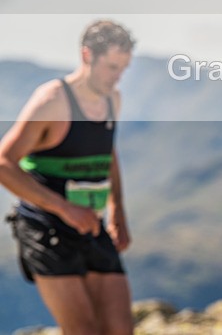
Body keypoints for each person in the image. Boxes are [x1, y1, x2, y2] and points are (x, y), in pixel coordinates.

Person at [0, 20, 135, 335]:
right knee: (83, 330)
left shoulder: (112, 99)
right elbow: (4, 162)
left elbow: (107, 153)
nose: (118, 77)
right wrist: (64, 208)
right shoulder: (52, 101)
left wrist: (119, 209)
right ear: (87, 55)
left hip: (90, 224)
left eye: (123, 69)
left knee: (120, 329)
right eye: (112, 67)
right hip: (46, 228)